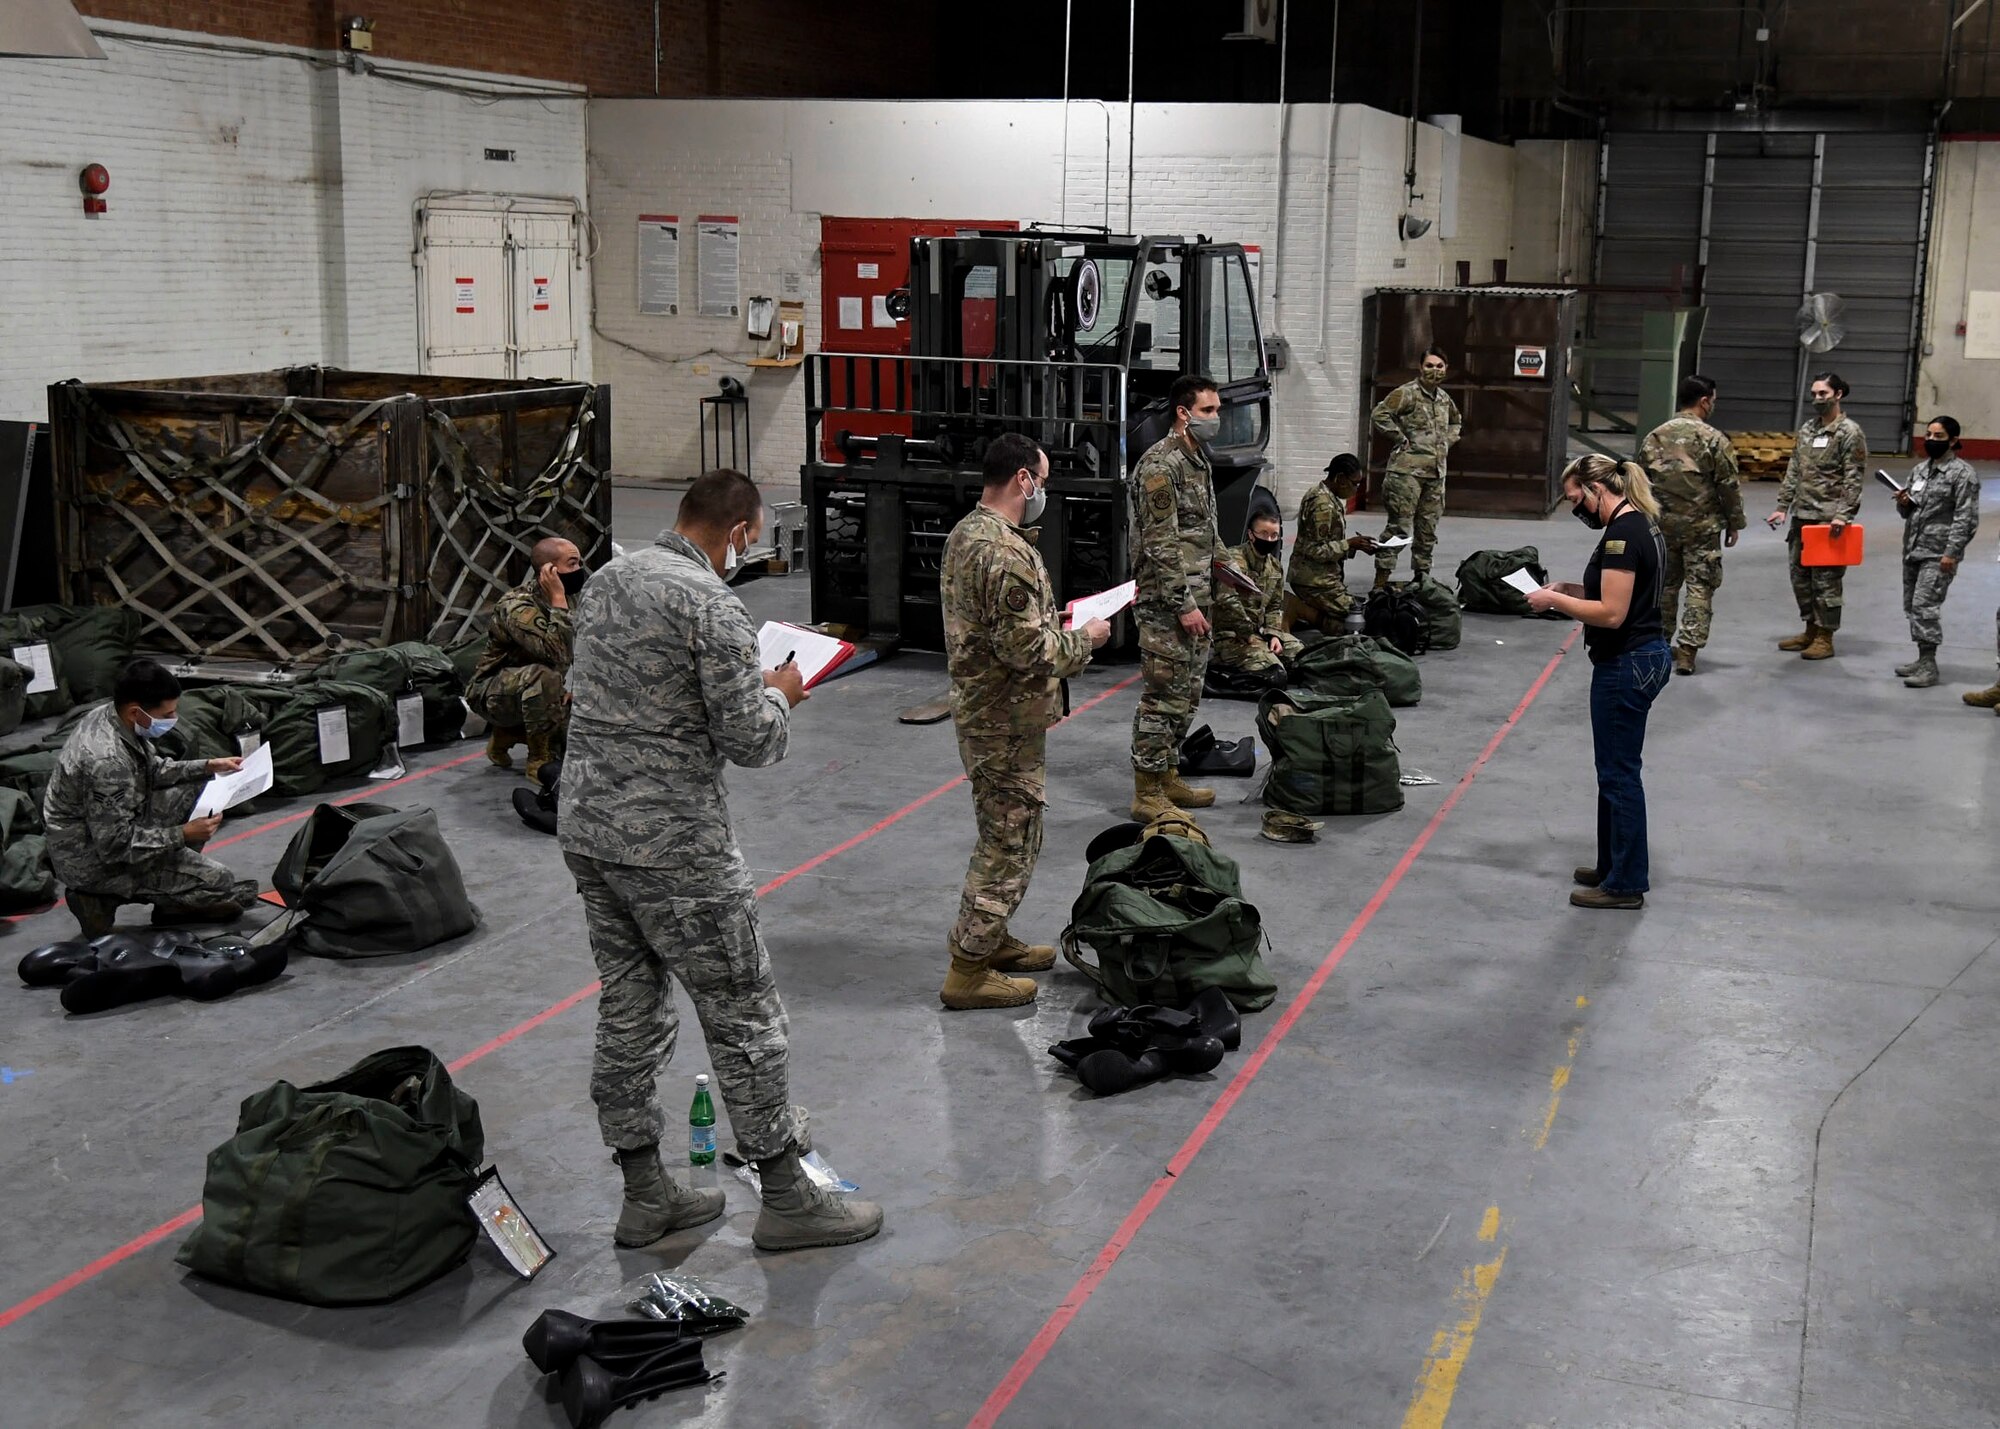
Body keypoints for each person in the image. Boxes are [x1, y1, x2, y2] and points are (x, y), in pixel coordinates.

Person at [558, 469, 881, 1254]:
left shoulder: (608, 579)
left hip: (591, 830)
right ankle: (785, 1193)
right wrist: (782, 694)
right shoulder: (711, 604)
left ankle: (645, 1193)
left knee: (629, 1006)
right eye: (753, 535)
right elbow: (753, 740)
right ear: (739, 529)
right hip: (674, 843)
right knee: (743, 1010)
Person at [939, 433, 1110, 1011]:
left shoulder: (970, 533)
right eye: (1042, 479)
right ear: (1022, 480)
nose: (1044, 490)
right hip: (1003, 720)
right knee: (1009, 841)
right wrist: (1083, 639)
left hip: (994, 712)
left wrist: (1049, 622)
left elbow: (1001, 628)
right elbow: (1024, 649)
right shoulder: (1004, 551)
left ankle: (989, 941)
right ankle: (968, 969)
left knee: (1012, 830)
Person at [1525, 457, 1669, 911]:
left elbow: (1612, 613)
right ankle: (1612, 864)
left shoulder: (1623, 535)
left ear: (1595, 488)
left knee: (1618, 774)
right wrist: (1570, 588)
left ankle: (1625, 883)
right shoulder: (1636, 524)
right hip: (1641, 656)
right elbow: (1615, 592)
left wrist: (1553, 600)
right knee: (1613, 770)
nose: (1576, 509)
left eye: (1575, 499)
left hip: (1627, 663)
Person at [42, 658, 259, 937]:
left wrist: (207, 766)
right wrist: (182, 833)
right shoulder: (107, 762)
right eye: (167, 714)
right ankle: (97, 899)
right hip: (89, 859)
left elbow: (153, 770)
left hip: (104, 828)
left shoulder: (113, 716)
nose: (172, 719)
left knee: (200, 789)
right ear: (136, 711)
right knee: (218, 881)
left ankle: (172, 894)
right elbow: (114, 847)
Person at [1129, 373, 1226, 823]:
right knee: (1162, 695)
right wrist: (1183, 605)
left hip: (1198, 596)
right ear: (1183, 413)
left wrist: (1229, 568)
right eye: (1208, 411)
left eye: (1217, 410)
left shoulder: (1196, 458)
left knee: (1186, 696)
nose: (1216, 418)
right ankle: (1146, 791)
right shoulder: (1160, 466)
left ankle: (1167, 775)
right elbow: (1161, 544)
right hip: (1166, 604)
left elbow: (1204, 529)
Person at [1639, 374, 1744, 676]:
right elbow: (1728, 485)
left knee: (1665, 586)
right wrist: (1734, 522)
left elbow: (1640, 482)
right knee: (1700, 586)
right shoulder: (1714, 439)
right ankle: (1687, 653)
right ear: (1704, 401)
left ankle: (1658, 645)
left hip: (1662, 526)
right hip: (1702, 528)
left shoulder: (1655, 436)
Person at [467, 535, 583, 783]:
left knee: (575, 737)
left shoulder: (573, 598)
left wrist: (577, 689)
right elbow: (557, 652)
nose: (579, 570)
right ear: (549, 570)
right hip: (490, 693)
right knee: (544, 676)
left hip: (539, 688)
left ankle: (507, 734)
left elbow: (586, 645)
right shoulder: (518, 606)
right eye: (572, 563)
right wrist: (558, 601)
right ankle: (538, 759)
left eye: (579, 563)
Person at [1767, 372, 1866, 661]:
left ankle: (1825, 636)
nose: (1817, 399)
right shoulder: (1808, 429)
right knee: (1801, 579)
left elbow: (1854, 478)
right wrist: (1782, 506)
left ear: (1838, 395)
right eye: (1814, 394)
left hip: (1828, 521)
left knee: (1826, 582)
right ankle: (1810, 629)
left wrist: (1843, 515)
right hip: (1802, 517)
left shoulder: (1849, 432)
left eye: (1823, 394)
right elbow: (1794, 470)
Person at [1894, 416, 1979, 689]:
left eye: (1938, 436)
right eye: (1928, 434)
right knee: (1911, 606)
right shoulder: (1919, 470)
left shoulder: (1962, 474)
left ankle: (1929, 666)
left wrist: (1951, 553)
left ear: (1953, 440)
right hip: (1914, 549)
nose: (1931, 440)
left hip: (1938, 553)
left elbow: (1966, 519)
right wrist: (1904, 503)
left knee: (1924, 607)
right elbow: (1908, 512)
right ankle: (1921, 658)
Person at [1369, 346, 1461, 587]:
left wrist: (1446, 442)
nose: (1434, 370)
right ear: (1420, 367)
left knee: (1427, 531)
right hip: (1406, 474)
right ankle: (1381, 580)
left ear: (1446, 369)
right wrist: (1399, 437)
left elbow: (1456, 422)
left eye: (1439, 366)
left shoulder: (1443, 398)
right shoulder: (1407, 393)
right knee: (1399, 527)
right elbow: (1380, 414)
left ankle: (1422, 580)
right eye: (1429, 365)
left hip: (1435, 474)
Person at [1286, 454, 1378, 634]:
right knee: (1360, 619)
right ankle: (1301, 612)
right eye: (1355, 483)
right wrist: (1350, 544)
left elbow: (1326, 543)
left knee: (1352, 619)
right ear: (1341, 479)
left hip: (1320, 579)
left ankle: (1309, 617)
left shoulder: (1325, 496)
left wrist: (1354, 546)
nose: (1356, 489)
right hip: (1314, 582)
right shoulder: (1323, 505)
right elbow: (1316, 550)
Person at [1210, 504, 1300, 680]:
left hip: (1260, 633)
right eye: (1264, 534)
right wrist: (1250, 635)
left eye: (1274, 535)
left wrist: (1274, 635)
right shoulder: (1234, 561)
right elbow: (1228, 602)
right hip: (1233, 636)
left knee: (1299, 654)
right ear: (1251, 534)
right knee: (1274, 670)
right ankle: (1221, 664)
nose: (1269, 539)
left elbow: (1275, 607)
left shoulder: (1274, 567)